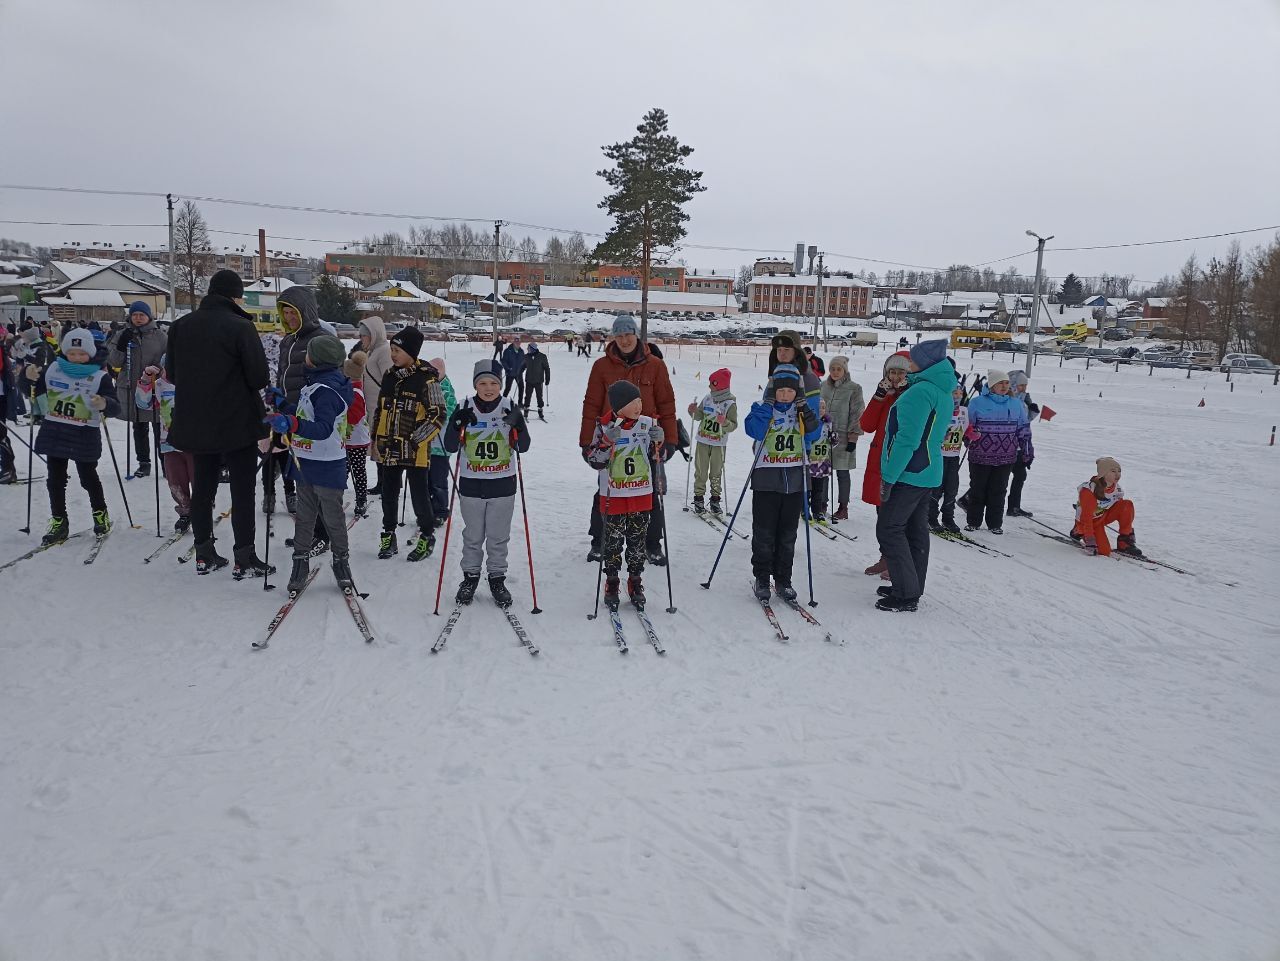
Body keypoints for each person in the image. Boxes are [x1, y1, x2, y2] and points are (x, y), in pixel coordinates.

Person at [166, 269, 274, 577]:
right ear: (234, 296)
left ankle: (204, 553)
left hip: (196, 419)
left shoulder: (181, 326)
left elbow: (172, 374)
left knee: (203, 487)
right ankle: (245, 556)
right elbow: (258, 377)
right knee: (242, 489)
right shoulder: (241, 327)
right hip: (236, 421)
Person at [579, 314, 678, 564]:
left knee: (649, 491)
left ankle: (652, 543)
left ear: (637, 335)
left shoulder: (655, 365)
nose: (624, 340)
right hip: (612, 439)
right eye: (619, 335)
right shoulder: (601, 366)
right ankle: (600, 541)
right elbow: (591, 404)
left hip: (646, 440)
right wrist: (587, 441)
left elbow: (666, 403)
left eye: (628, 334)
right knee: (606, 490)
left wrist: (670, 439)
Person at [263, 335, 357, 594]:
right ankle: (300, 562)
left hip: (327, 465)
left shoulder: (327, 391)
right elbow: (306, 413)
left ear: (315, 360)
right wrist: (283, 404)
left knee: (332, 518)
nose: (304, 358)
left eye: (307, 354)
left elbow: (324, 428)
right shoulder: (314, 385)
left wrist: (292, 424)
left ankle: (341, 561)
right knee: (304, 518)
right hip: (306, 461)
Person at [874, 338, 957, 612]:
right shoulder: (940, 390)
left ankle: (906, 594)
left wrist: (889, 475)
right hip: (929, 470)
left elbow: (907, 439)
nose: (908, 364)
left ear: (925, 363)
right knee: (914, 529)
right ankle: (908, 585)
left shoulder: (920, 392)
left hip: (910, 471)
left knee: (890, 528)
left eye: (912, 359)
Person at [442, 359, 531, 608]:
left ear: (501, 384)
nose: (488, 388)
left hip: (502, 482)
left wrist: (519, 425)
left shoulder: (508, 407)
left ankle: (497, 577)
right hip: (472, 482)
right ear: (475, 384)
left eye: (494, 382)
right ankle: (470, 577)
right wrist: (456, 424)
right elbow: (450, 446)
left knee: (498, 536)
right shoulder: (465, 407)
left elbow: (523, 447)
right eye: (482, 382)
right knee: (472, 535)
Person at [28, 328, 120, 542]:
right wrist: (28, 377)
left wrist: (105, 403)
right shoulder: (53, 369)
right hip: (55, 432)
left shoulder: (100, 377)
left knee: (88, 478)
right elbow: (33, 391)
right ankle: (59, 520)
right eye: (72, 353)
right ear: (65, 352)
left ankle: (100, 514)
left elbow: (116, 408)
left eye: (81, 354)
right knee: (55, 480)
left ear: (90, 353)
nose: (76, 358)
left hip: (84, 434)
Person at [585, 380, 666, 610]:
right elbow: (594, 461)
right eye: (633, 402)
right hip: (613, 496)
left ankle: (635, 580)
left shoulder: (647, 423)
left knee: (637, 541)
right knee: (612, 542)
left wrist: (659, 440)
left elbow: (659, 456)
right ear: (619, 406)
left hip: (641, 494)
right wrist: (607, 442)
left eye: (640, 400)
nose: (639, 406)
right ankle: (611, 581)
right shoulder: (603, 426)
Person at [745, 363, 822, 602]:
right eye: (780, 391)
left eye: (790, 391)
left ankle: (783, 578)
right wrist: (767, 405)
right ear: (772, 391)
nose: (785, 395)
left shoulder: (802, 411)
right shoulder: (761, 408)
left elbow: (814, 434)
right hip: (766, 480)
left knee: (788, 534)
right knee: (764, 532)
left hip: (795, 481)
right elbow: (754, 430)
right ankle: (762, 576)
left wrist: (805, 411)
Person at [370, 326, 446, 561]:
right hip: (389, 447)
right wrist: (375, 438)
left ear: (411, 352)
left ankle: (426, 535)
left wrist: (416, 440)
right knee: (389, 492)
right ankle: (388, 534)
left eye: (397, 350)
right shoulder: (389, 376)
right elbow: (380, 410)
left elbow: (438, 415)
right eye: (392, 349)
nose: (393, 355)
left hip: (415, 451)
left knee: (419, 495)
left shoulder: (427, 378)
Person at [858, 351, 911, 576]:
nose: (896, 376)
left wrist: (904, 393)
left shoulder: (912, 396)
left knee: (899, 517)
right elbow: (867, 424)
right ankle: (886, 557)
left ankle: (899, 562)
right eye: (892, 371)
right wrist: (879, 396)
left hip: (904, 463)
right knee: (883, 514)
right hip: (882, 461)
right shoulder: (885, 395)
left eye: (901, 372)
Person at [962, 369, 1031, 534]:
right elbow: (967, 425)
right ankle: (973, 521)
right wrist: (969, 438)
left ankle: (995, 523)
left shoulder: (1016, 404)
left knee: (998, 490)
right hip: (980, 455)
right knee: (978, 488)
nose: (1004, 386)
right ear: (991, 385)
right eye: (1000, 383)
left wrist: (1027, 450)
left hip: (1006, 456)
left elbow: (1023, 428)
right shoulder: (977, 402)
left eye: (1006, 383)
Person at [105, 300, 166, 478]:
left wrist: (158, 371)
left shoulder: (160, 336)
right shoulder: (122, 334)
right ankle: (144, 463)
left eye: (142, 315)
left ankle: (165, 463)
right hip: (131, 387)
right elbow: (114, 362)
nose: (138, 318)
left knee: (159, 427)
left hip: (154, 387)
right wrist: (122, 346)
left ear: (149, 316)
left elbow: (169, 359)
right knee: (139, 427)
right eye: (135, 315)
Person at [136, 356, 194, 531]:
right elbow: (143, 403)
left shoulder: (197, 382)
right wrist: (146, 380)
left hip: (195, 444)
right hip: (169, 443)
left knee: (199, 480)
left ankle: (201, 512)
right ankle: (185, 512)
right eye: (168, 368)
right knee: (175, 482)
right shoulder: (160, 384)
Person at [819, 355, 864, 522]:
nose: (835, 372)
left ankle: (843, 507)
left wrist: (853, 438)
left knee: (842, 473)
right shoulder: (822, 386)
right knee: (822, 471)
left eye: (839, 369)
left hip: (844, 436)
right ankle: (822, 504)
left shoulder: (854, 388)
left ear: (845, 370)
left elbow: (857, 413)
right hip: (823, 436)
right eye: (832, 369)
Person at [687, 367, 737, 514]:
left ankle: (715, 500)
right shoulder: (708, 398)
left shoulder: (730, 404)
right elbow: (699, 416)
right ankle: (698, 498)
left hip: (718, 444)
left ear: (720, 384)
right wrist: (693, 411)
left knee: (716, 472)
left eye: (712, 383)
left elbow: (734, 425)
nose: (709, 386)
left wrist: (725, 422)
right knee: (701, 471)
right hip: (703, 440)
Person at [1072, 457, 1143, 557]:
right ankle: (1078, 530)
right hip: (1089, 522)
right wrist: (1090, 539)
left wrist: (1128, 531)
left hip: (1103, 516)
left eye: (1119, 471)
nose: (1117, 474)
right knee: (1104, 551)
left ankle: (1124, 542)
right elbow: (1086, 517)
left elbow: (1121, 510)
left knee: (1127, 505)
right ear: (1103, 473)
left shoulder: (1116, 488)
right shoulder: (1089, 491)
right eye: (1113, 471)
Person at [356, 316, 392, 496]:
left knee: (383, 447)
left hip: (382, 408)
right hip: (372, 408)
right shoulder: (371, 351)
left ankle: (388, 484)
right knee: (378, 447)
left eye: (364, 336)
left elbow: (390, 379)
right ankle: (382, 483)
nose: (361, 339)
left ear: (374, 334)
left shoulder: (384, 351)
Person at [928, 383, 967, 535]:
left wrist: (972, 435)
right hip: (939, 456)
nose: (956, 397)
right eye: (954, 393)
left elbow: (967, 428)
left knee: (952, 489)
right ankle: (931, 517)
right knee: (937, 488)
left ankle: (948, 517)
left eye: (959, 394)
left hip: (954, 456)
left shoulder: (964, 412)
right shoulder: (941, 410)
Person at [1006, 369, 1041, 518]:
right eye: (1021, 385)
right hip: (1007, 444)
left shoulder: (1024, 399)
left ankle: (1014, 506)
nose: (1024, 388)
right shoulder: (1008, 400)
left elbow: (1025, 422)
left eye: (1025, 385)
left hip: (1021, 444)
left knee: (1020, 475)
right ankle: (970, 498)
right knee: (999, 476)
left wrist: (1032, 412)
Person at [426, 356, 457, 526]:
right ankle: (427, 509)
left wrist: (437, 414)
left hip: (441, 445)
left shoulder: (447, 390)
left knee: (438, 480)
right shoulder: (426, 387)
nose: (434, 374)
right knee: (426, 480)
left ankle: (440, 511)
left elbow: (451, 411)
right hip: (426, 444)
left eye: (437, 371)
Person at [342, 350, 370, 517]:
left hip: (357, 440)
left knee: (358, 470)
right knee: (343, 470)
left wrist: (341, 417)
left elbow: (355, 415)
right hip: (347, 440)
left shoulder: (355, 392)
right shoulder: (350, 390)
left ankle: (361, 498)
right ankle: (337, 496)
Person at [807, 402, 834, 523]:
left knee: (818, 491)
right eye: (819, 408)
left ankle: (817, 512)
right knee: (807, 489)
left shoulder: (828, 424)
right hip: (810, 462)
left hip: (822, 462)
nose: (822, 410)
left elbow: (831, 444)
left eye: (824, 407)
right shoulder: (810, 423)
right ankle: (804, 510)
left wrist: (833, 438)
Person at [522, 341, 550, 421]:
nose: (527, 349)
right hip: (529, 380)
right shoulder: (526, 357)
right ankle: (526, 411)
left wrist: (547, 379)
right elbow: (523, 366)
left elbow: (547, 368)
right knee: (527, 397)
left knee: (539, 397)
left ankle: (540, 412)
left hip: (539, 380)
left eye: (529, 348)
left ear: (532, 349)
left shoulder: (542, 356)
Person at [501, 337, 527, 407]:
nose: (518, 344)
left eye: (519, 343)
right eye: (516, 342)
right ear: (513, 343)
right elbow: (503, 361)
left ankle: (520, 403)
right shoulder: (508, 350)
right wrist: (507, 368)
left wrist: (523, 369)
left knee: (521, 387)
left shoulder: (521, 351)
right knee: (507, 388)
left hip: (518, 373)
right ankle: (502, 402)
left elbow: (524, 362)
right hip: (510, 373)